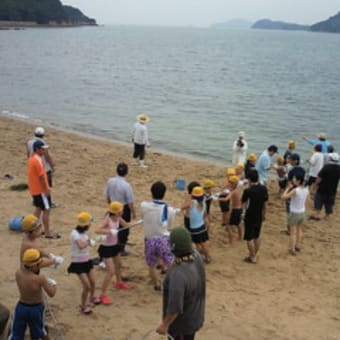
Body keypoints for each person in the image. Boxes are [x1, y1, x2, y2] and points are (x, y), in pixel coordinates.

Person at [156, 227, 206, 339]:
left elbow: (175, 307)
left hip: (181, 326)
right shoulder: (196, 255)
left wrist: (164, 325)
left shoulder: (178, 274)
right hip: (195, 314)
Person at [9, 248, 57, 340]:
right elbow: (51, 293)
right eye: (39, 264)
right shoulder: (40, 278)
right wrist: (54, 284)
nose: (40, 266)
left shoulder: (18, 273)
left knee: (16, 334)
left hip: (21, 307)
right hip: (36, 309)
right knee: (40, 332)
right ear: (34, 266)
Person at [140, 181, 180, 290]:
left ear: (151, 193)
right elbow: (170, 226)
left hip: (149, 239)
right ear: (164, 193)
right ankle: (171, 283)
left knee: (151, 265)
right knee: (170, 263)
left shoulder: (144, 206)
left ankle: (157, 284)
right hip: (163, 239)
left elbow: (143, 217)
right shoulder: (170, 210)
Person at [96, 201, 131, 305]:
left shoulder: (118, 218)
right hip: (106, 248)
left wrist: (140, 222)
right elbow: (97, 230)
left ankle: (119, 282)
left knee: (119, 265)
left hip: (115, 246)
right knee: (110, 271)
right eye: (121, 210)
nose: (122, 211)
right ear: (116, 212)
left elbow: (127, 225)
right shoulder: (108, 219)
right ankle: (102, 294)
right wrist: (110, 231)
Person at [67, 212, 101, 314]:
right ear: (85, 224)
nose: (91, 224)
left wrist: (95, 241)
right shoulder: (74, 234)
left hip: (87, 261)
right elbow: (81, 246)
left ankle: (92, 298)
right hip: (78, 264)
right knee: (86, 286)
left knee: (93, 282)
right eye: (90, 223)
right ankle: (83, 306)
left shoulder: (84, 233)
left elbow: (86, 245)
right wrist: (89, 242)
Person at [27, 140, 60, 239]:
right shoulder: (37, 160)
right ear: (37, 149)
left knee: (38, 208)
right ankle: (47, 232)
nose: (44, 151)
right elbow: (41, 177)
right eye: (42, 149)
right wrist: (46, 189)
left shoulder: (31, 158)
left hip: (34, 188)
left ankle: (32, 228)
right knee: (47, 209)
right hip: (40, 189)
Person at [104, 162, 136, 256]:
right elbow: (130, 202)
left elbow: (107, 195)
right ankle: (120, 249)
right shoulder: (126, 185)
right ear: (127, 172)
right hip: (123, 208)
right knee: (124, 229)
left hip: (113, 206)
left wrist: (109, 204)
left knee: (113, 226)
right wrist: (133, 213)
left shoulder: (110, 181)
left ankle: (112, 244)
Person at [241, 170, 268, 264]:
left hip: (250, 215)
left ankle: (252, 257)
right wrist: (264, 214)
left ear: (249, 179)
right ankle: (255, 254)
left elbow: (244, 203)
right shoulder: (263, 188)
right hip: (259, 214)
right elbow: (265, 203)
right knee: (257, 235)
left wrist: (243, 214)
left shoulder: (248, 191)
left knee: (249, 237)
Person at [181, 186, 211, 263]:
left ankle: (206, 258)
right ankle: (206, 257)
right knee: (202, 244)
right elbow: (204, 215)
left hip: (195, 229)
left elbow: (182, 207)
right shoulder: (204, 202)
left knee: (199, 244)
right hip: (202, 226)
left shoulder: (192, 203)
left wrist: (189, 198)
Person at [282, 174, 309, 256]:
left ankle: (292, 248)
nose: (293, 179)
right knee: (299, 230)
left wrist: (287, 188)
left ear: (298, 181)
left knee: (292, 232)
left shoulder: (295, 190)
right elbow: (308, 200)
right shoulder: (306, 190)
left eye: (294, 178)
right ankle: (297, 245)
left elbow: (283, 197)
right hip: (302, 212)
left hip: (294, 213)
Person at [310, 152, 340, 221]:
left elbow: (319, 179)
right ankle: (327, 216)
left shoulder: (326, 167)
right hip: (332, 189)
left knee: (318, 201)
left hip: (322, 189)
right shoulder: (339, 168)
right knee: (329, 204)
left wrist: (314, 186)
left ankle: (317, 215)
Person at [224, 176, 243, 244]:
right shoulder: (239, 189)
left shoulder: (233, 191)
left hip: (235, 210)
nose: (229, 184)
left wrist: (217, 198)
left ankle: (230, 241)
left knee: (228, 225)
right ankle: (240, 237)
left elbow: (226, 199)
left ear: (234, 184)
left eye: (230, 183)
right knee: (238, 223)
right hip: (240, 208)